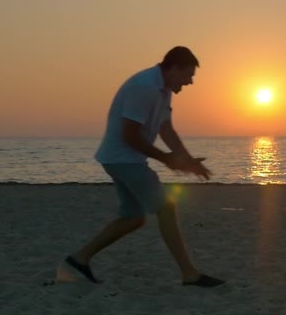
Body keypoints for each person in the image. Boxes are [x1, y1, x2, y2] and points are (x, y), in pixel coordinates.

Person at [62, 46, 225, 287]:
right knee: (166, 209)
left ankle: (79, 259)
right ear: (173, 69)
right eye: (188, 75)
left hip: (120, 158)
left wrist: (187, 160)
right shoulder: (145, 87)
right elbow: (130, 135)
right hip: (123, 158)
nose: (190, 82)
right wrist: (167, 159)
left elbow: (166, 129)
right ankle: (190, 275)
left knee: (133, 218)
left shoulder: (163, 89)